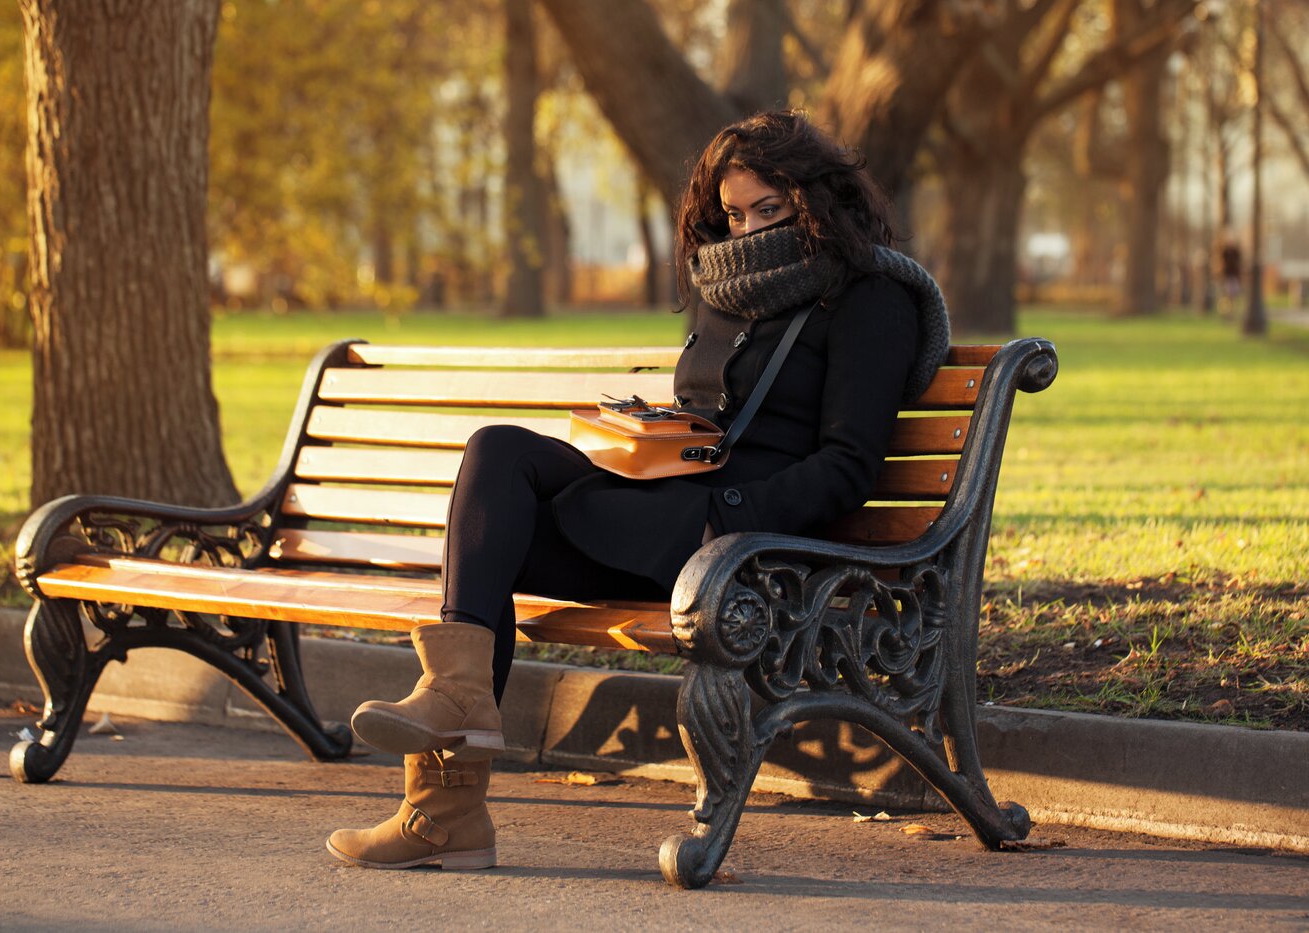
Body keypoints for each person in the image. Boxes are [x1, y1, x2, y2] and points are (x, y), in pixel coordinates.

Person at [324, 110, 950, 871]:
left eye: (768, 210)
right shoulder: (731, 288)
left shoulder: (868, 299)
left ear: (817, 198)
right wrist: (646, 434)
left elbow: (848, 468)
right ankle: (448, 768)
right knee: (498, 457)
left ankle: (443, 806)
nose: (747, 228)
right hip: (666, 519)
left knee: (497, 535)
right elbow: (704, 417)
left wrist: (730, 513)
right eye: (734, 212)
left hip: (748, 551)